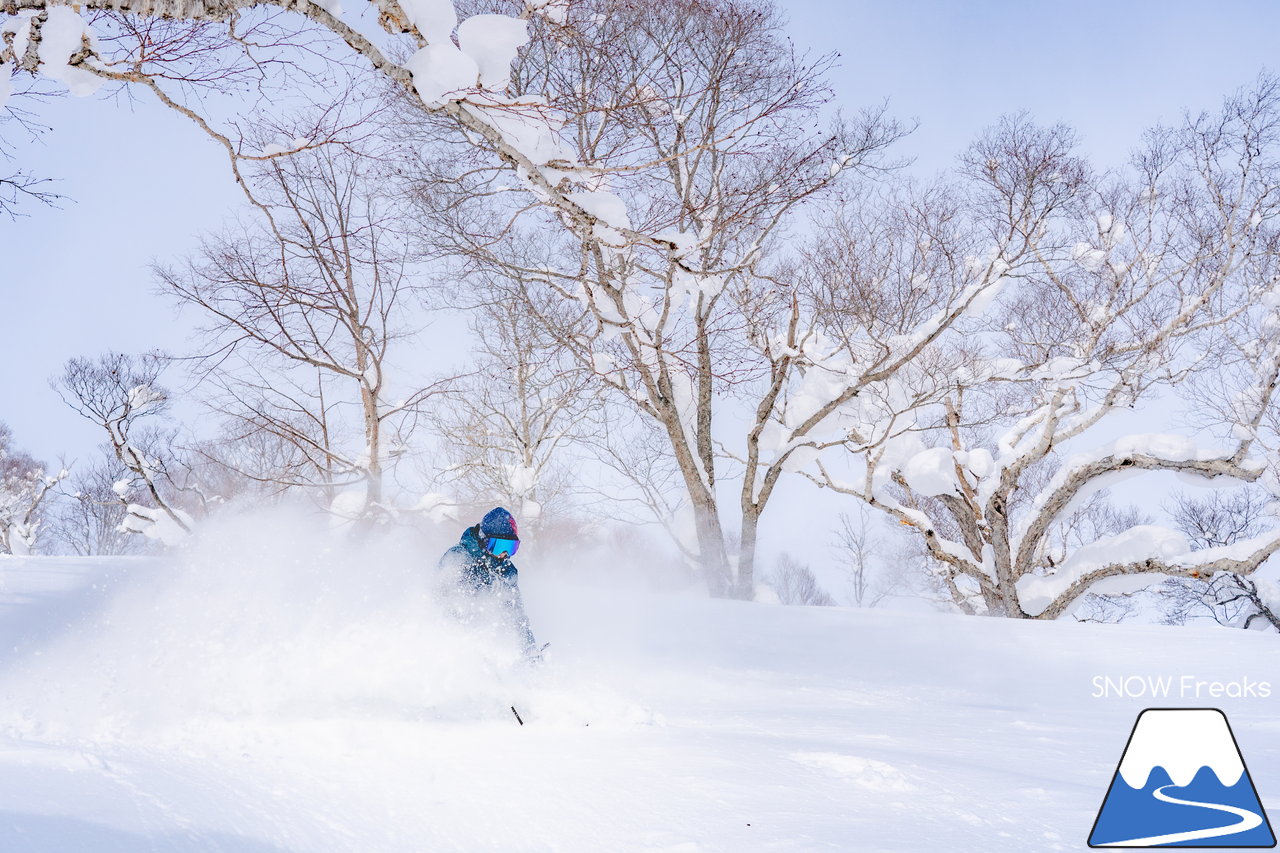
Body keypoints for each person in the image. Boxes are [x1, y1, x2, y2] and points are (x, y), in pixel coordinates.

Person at [438, 506, 541, 660]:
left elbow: (517, 615)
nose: (504, 554)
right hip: (456, 642)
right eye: (500, 546)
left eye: (511, 547)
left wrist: (528, 648)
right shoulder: (459, 558)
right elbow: (443, 601)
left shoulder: (507, 571)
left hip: (491, 641)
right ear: (484, 540)